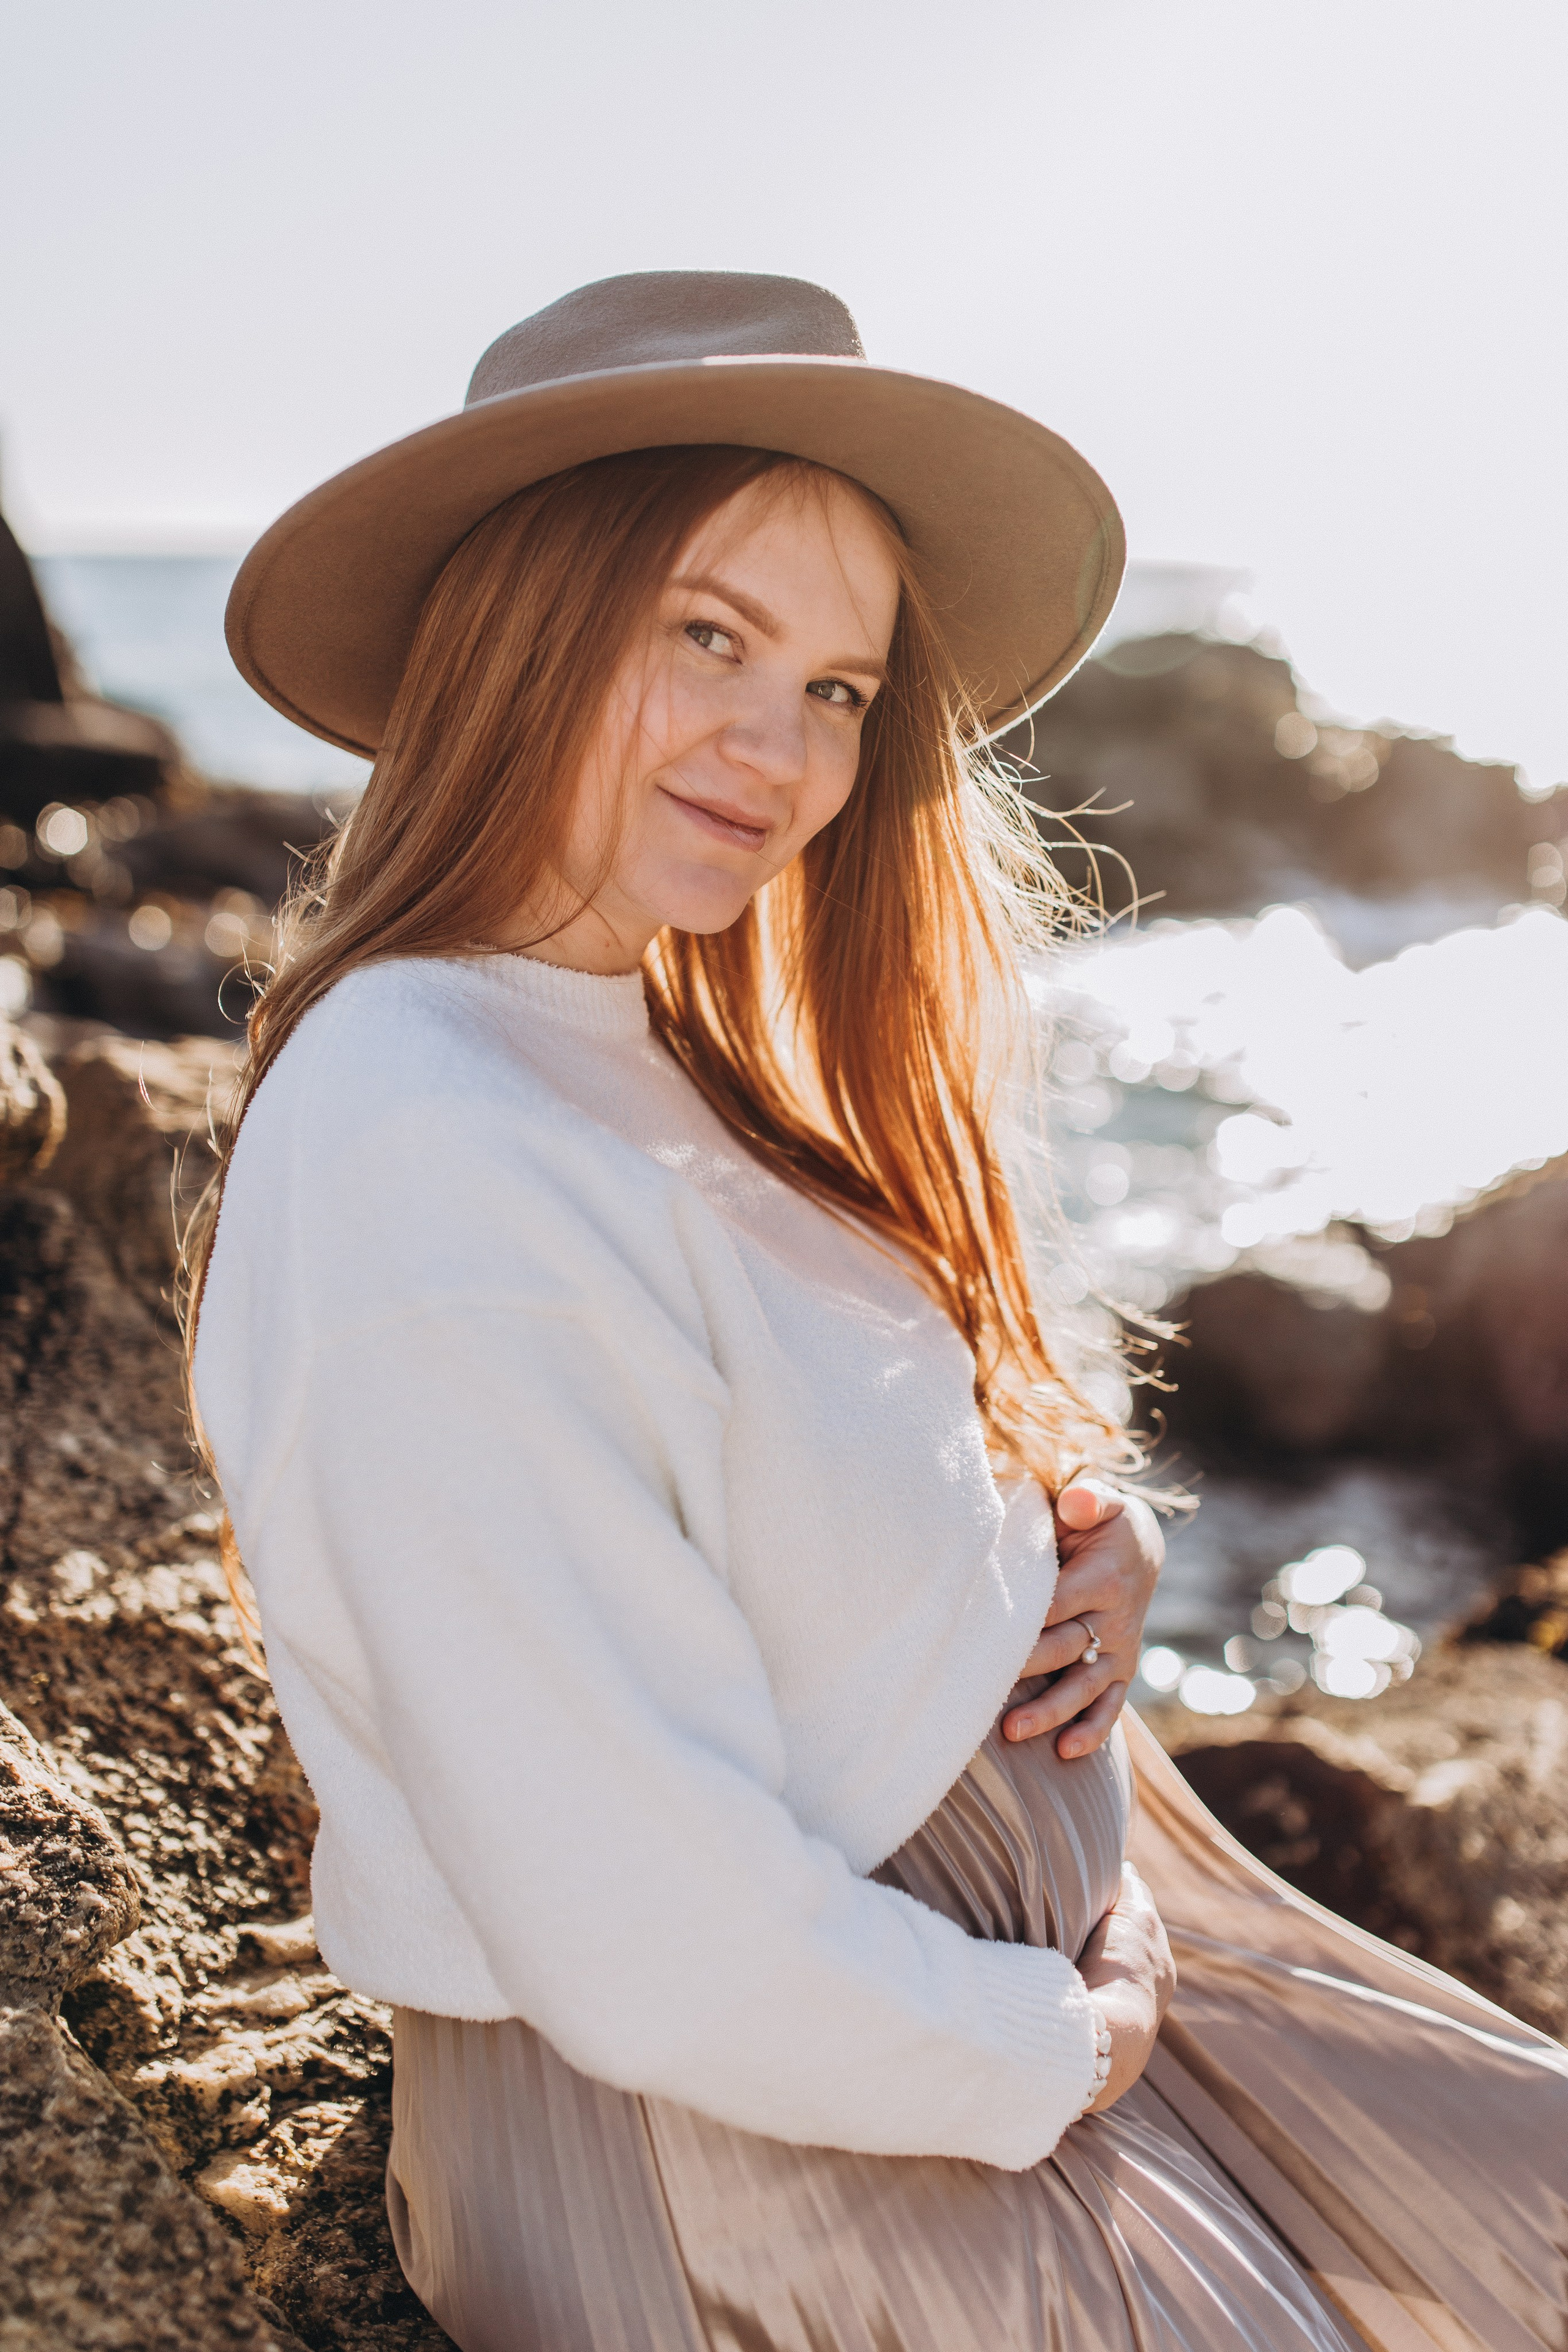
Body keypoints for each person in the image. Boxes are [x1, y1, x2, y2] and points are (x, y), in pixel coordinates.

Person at [189, 273, 1568, 2352]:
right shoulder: (419, 1132)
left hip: (1022, 1992)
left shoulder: (634, 1032)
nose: (782, 747)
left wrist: (1081, 1537)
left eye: (839, 685)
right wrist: (1053, 2047)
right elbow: (646, 1938)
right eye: (709, 633)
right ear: (519, 622)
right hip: (772, 2128)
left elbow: (817, 1447)